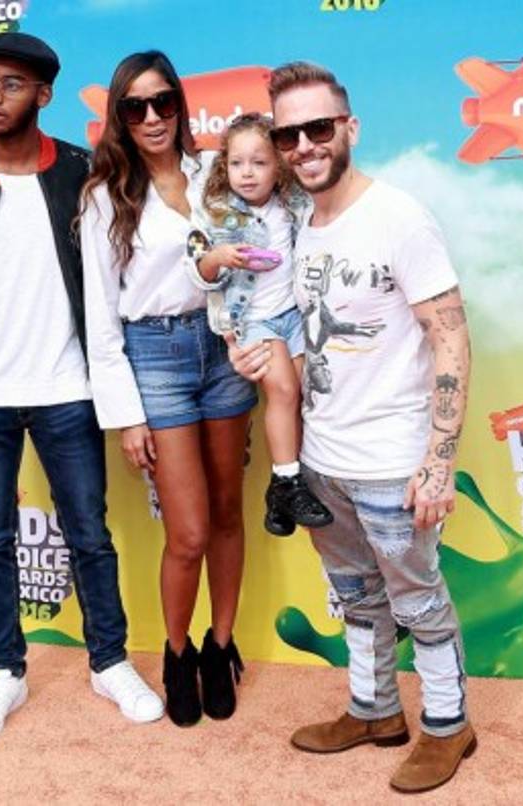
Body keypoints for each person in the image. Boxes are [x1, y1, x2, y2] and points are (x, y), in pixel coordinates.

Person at [0, 32, 162, 743]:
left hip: (69, 390)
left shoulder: (85, 177)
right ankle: (3, 671)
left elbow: (127, 274)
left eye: (11, 85)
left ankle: (109, 660)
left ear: (44, 95)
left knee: (90, 533)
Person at [229, 62, 476, 793]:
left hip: (394, 459)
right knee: (356, 594)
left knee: (417, 597)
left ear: (349, 129)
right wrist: (264, 358)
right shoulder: (305, 226)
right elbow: (314, 339)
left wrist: (437, 459)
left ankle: (447, 724)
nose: (304, 145)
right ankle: (373, 710)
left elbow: (451, 338)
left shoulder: (399, 216)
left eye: (319, 128)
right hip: (322, 455)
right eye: (288, 134)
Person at [79, 51, 255, 726]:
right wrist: (126, 416)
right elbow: (101, 315)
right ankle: (177, 652)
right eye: (135, 106)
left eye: (163, 103)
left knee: (227, 514)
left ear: (180, 105)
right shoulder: (103, 197)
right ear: (119, 117)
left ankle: (220, 644)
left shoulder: (215, 172)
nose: (152, 117)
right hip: (153, 357)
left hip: (223, 347)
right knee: (187, 532)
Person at [184, 112, 333, 538]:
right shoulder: (216, 215)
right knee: (282, 390)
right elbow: (196, 271)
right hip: (251, 321)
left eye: (259, 163)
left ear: (279, 166)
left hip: (293, 317)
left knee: (301, 394)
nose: (246, 173)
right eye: (236, 163)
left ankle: (280, 488)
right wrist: (217, 260)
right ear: (223, 165)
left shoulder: (292, 205)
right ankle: (288, 480)